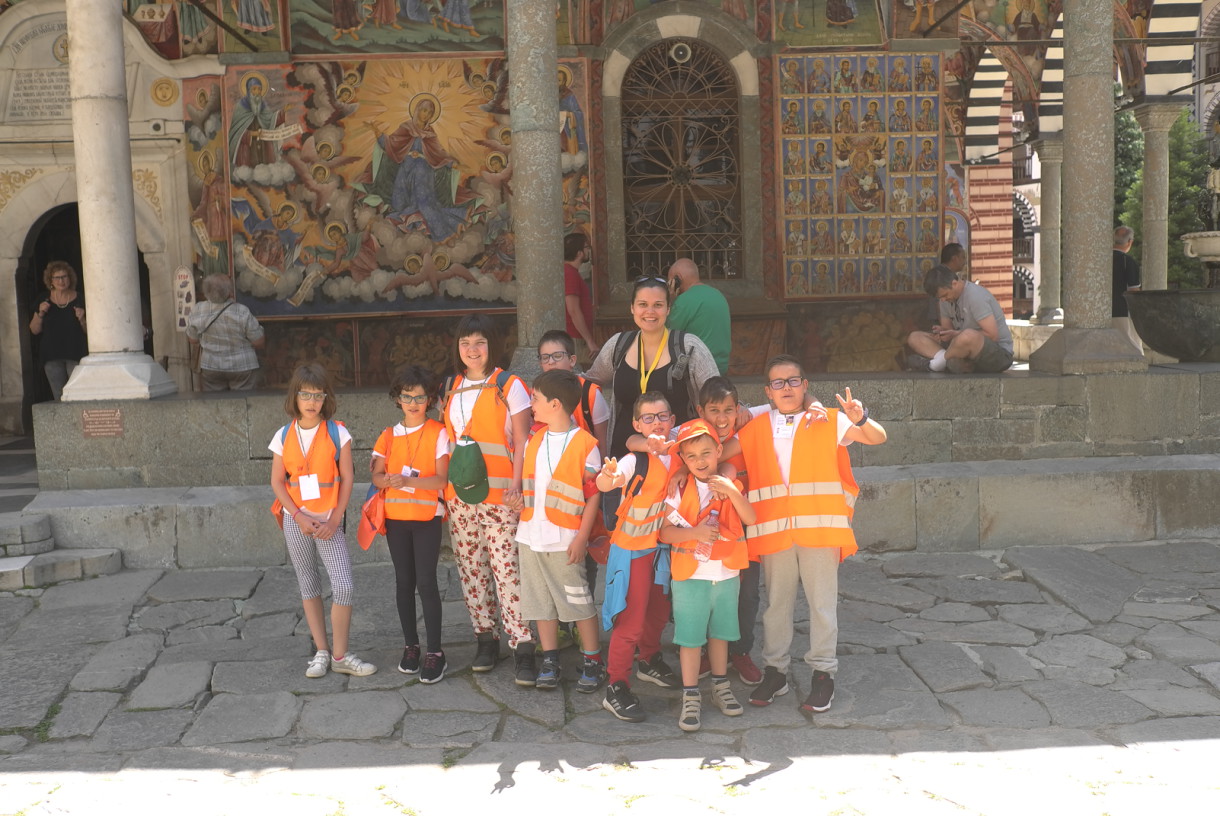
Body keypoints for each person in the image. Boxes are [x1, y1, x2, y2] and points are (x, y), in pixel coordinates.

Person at [742, 357, 886, 713]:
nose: (786, 388)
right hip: (776, 532)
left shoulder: (826, 420)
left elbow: (877, 438)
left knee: (822, 604)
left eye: (793, 381)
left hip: (820, 529)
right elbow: (724, 456)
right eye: (778, 383)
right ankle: (775, 671)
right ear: (768, 392)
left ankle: (823, 674)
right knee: (777, 605)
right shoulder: (756, 426)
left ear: (805, 385)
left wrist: (860, 418)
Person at [442, 314, 536, 684]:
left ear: (491, 346)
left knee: (507, 571)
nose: (472, 350)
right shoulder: (450, 386)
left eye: (479, 342)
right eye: (465, 343)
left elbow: (523, 439)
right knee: (471, 570)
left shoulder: (508, 385)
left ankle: (523, 646)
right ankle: (485, 637)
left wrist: (517, 486)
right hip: (460, 497)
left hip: (501, 495)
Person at [269, 363, 376, 680]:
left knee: (343, 586)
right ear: (296, 397)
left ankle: (341, 654)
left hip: (328, 520)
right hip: (296, 520)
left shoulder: (337, 432)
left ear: (326, 397)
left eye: (318, 395)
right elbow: (277, 482)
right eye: (306, 394)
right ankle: (322, 651)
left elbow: (347, 477)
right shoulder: (283, 435)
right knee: (308, 583)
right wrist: (298, 516)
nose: (312, 401)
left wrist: (335, 519)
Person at [659, 419, 754, 732]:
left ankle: (720, 685)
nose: (700, 461)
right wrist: (696, 533)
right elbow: (664, 533)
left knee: (721, 634)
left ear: (718, 451)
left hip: (725, 574)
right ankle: (691, 695)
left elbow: (750, 517)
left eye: (706, 453)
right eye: (692, 457)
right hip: (689, 576)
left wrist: (731, 490)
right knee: (689, 639)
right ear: (683, 460)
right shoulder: (679, 487)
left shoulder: (729, 483)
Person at [517, 369, 606, 694]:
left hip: (566, 537)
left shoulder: (586, 444)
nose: (532, 404)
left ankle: (593, 660)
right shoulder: (534, 439)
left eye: (536, 399)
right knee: (541, 602)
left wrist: (582, 537)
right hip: (530, 535)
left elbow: (593, 492)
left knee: (578, 600)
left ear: (554, 404)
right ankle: (551, 660)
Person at [595, 393, 682, 722]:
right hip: (631, 550)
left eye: (663, 416)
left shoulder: (678, 445)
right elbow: (607, 482)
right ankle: (615, 685)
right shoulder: (635, 460)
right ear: (636, 424)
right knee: (630, 622)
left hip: (661, 548)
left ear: (673, 420)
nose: (657, 422)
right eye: (648, 418)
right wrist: (611, 476)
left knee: (659, 613)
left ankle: (648, 660)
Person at [371, 365, 450, 684]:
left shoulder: (438, 432)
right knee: (404, 582)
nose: (413, 402)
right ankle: (411, 646)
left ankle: (435, 652)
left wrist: (406, 480)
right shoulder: (388, 435)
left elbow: (442, 479)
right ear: (397, 399)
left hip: (427, 517)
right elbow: (375, 476)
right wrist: (385, 480)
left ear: (429, 399)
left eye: (419, 397)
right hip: (396, 517)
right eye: (407, 397)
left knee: (427, 582)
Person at [585, 276, 719, 458]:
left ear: (668, 309)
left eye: (658, 305)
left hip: (675, 453)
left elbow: (715, 392)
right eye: (642, 304)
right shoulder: (618, 345)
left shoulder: (688, 346)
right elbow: (590, 380)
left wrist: (738, 408)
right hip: (625, 453)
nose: (650, 311)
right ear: (632, 308)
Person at [693, 378, 763, 685]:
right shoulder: (692, 438)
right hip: (708, 530)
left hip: (748, 526)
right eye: (714, 410)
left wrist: (746, 409)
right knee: (710, 592)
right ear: (701, 411)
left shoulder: (752, 428)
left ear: (738, 410)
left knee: (747, 594)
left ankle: (740, 651)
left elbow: (783, 403)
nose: (722, 418)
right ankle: (710, 650)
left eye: (729, 410)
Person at [906, 264, 1015, 373]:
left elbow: (992, 335)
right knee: (915, 337)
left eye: (945, 295)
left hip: (998, 353)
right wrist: (942, 333)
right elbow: (949, 333)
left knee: (968, 335)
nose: (943, 300)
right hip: (962, 348)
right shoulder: (944, 300)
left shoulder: (975, 296)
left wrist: (956, 334)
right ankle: (946, 361)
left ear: (954, 283)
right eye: (940, 298)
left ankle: (935, 365)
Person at [187, 273, 265, 391]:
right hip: (242, 366)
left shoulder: (197, 310)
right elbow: (259, 342)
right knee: (244, 403)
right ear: (229, 292)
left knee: (216, 405)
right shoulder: (241, 311)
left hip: (211, 366)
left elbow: (193, 340)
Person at [29, 261, 86, 401]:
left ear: (70, 278)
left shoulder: (81, 298)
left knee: (78, 396)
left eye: (65, 277)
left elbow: (90, 332)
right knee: (58, 397)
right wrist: (41, 313)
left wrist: (82, 319)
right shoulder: (44, 299)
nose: (61, 281)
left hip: (76, 353)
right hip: (51, 355)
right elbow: (34, 330)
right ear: (51, 281)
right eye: (57, 278)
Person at [667, 257, 731, 376]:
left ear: (678, 279)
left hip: (699, 368)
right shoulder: (718, 294)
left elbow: (667, 333)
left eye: (671, 280)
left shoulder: (684, 301)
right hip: (721, 367)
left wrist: (670, 300)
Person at [562, 232, 600, 364]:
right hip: (574, 337)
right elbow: (573, 310)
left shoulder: (571, 273)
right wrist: (590, 341)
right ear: (579, 253)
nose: (589, 250)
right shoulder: (569, 274)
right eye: (586, 247)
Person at [1112, 225, 1143, 352]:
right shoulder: (1128, 261)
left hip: (1099, 314)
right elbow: (1134, 291)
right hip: (1122, 312)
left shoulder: (1100, 260)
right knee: (1132, 348)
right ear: (1130, 242)